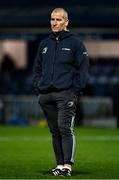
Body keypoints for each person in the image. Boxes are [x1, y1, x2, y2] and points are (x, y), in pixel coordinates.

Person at [33, 7, 89, 176]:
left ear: (66, 22)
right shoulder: (45, 43)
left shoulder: (76, 42)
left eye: (58, 19)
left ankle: (67, 166)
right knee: (54, 131)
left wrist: (75, 90)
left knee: (65, 128)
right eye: (52, 19)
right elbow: (37, 68)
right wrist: (38, 87)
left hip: (66, 94)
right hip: (46, 95)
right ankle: (59, 165)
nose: (54, 23)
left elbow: (84, 68)